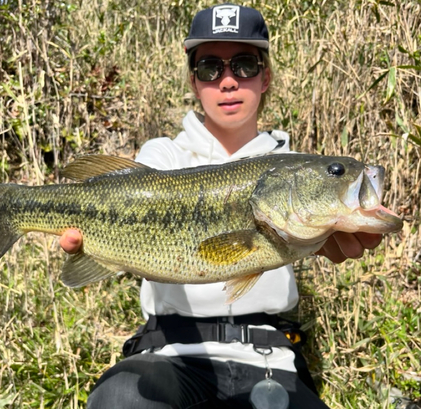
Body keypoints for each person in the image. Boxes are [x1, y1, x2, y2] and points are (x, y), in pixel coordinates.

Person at [60, 4, 382, 408]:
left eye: (244, 64)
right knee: (120, 399)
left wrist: (339, 227)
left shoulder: (293, 163)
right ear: (194, 82)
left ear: (265, 77)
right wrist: (96, 241)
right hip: (169, 357)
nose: (227, 81)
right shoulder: (163, 156)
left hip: (270, 360)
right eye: (211, 67)